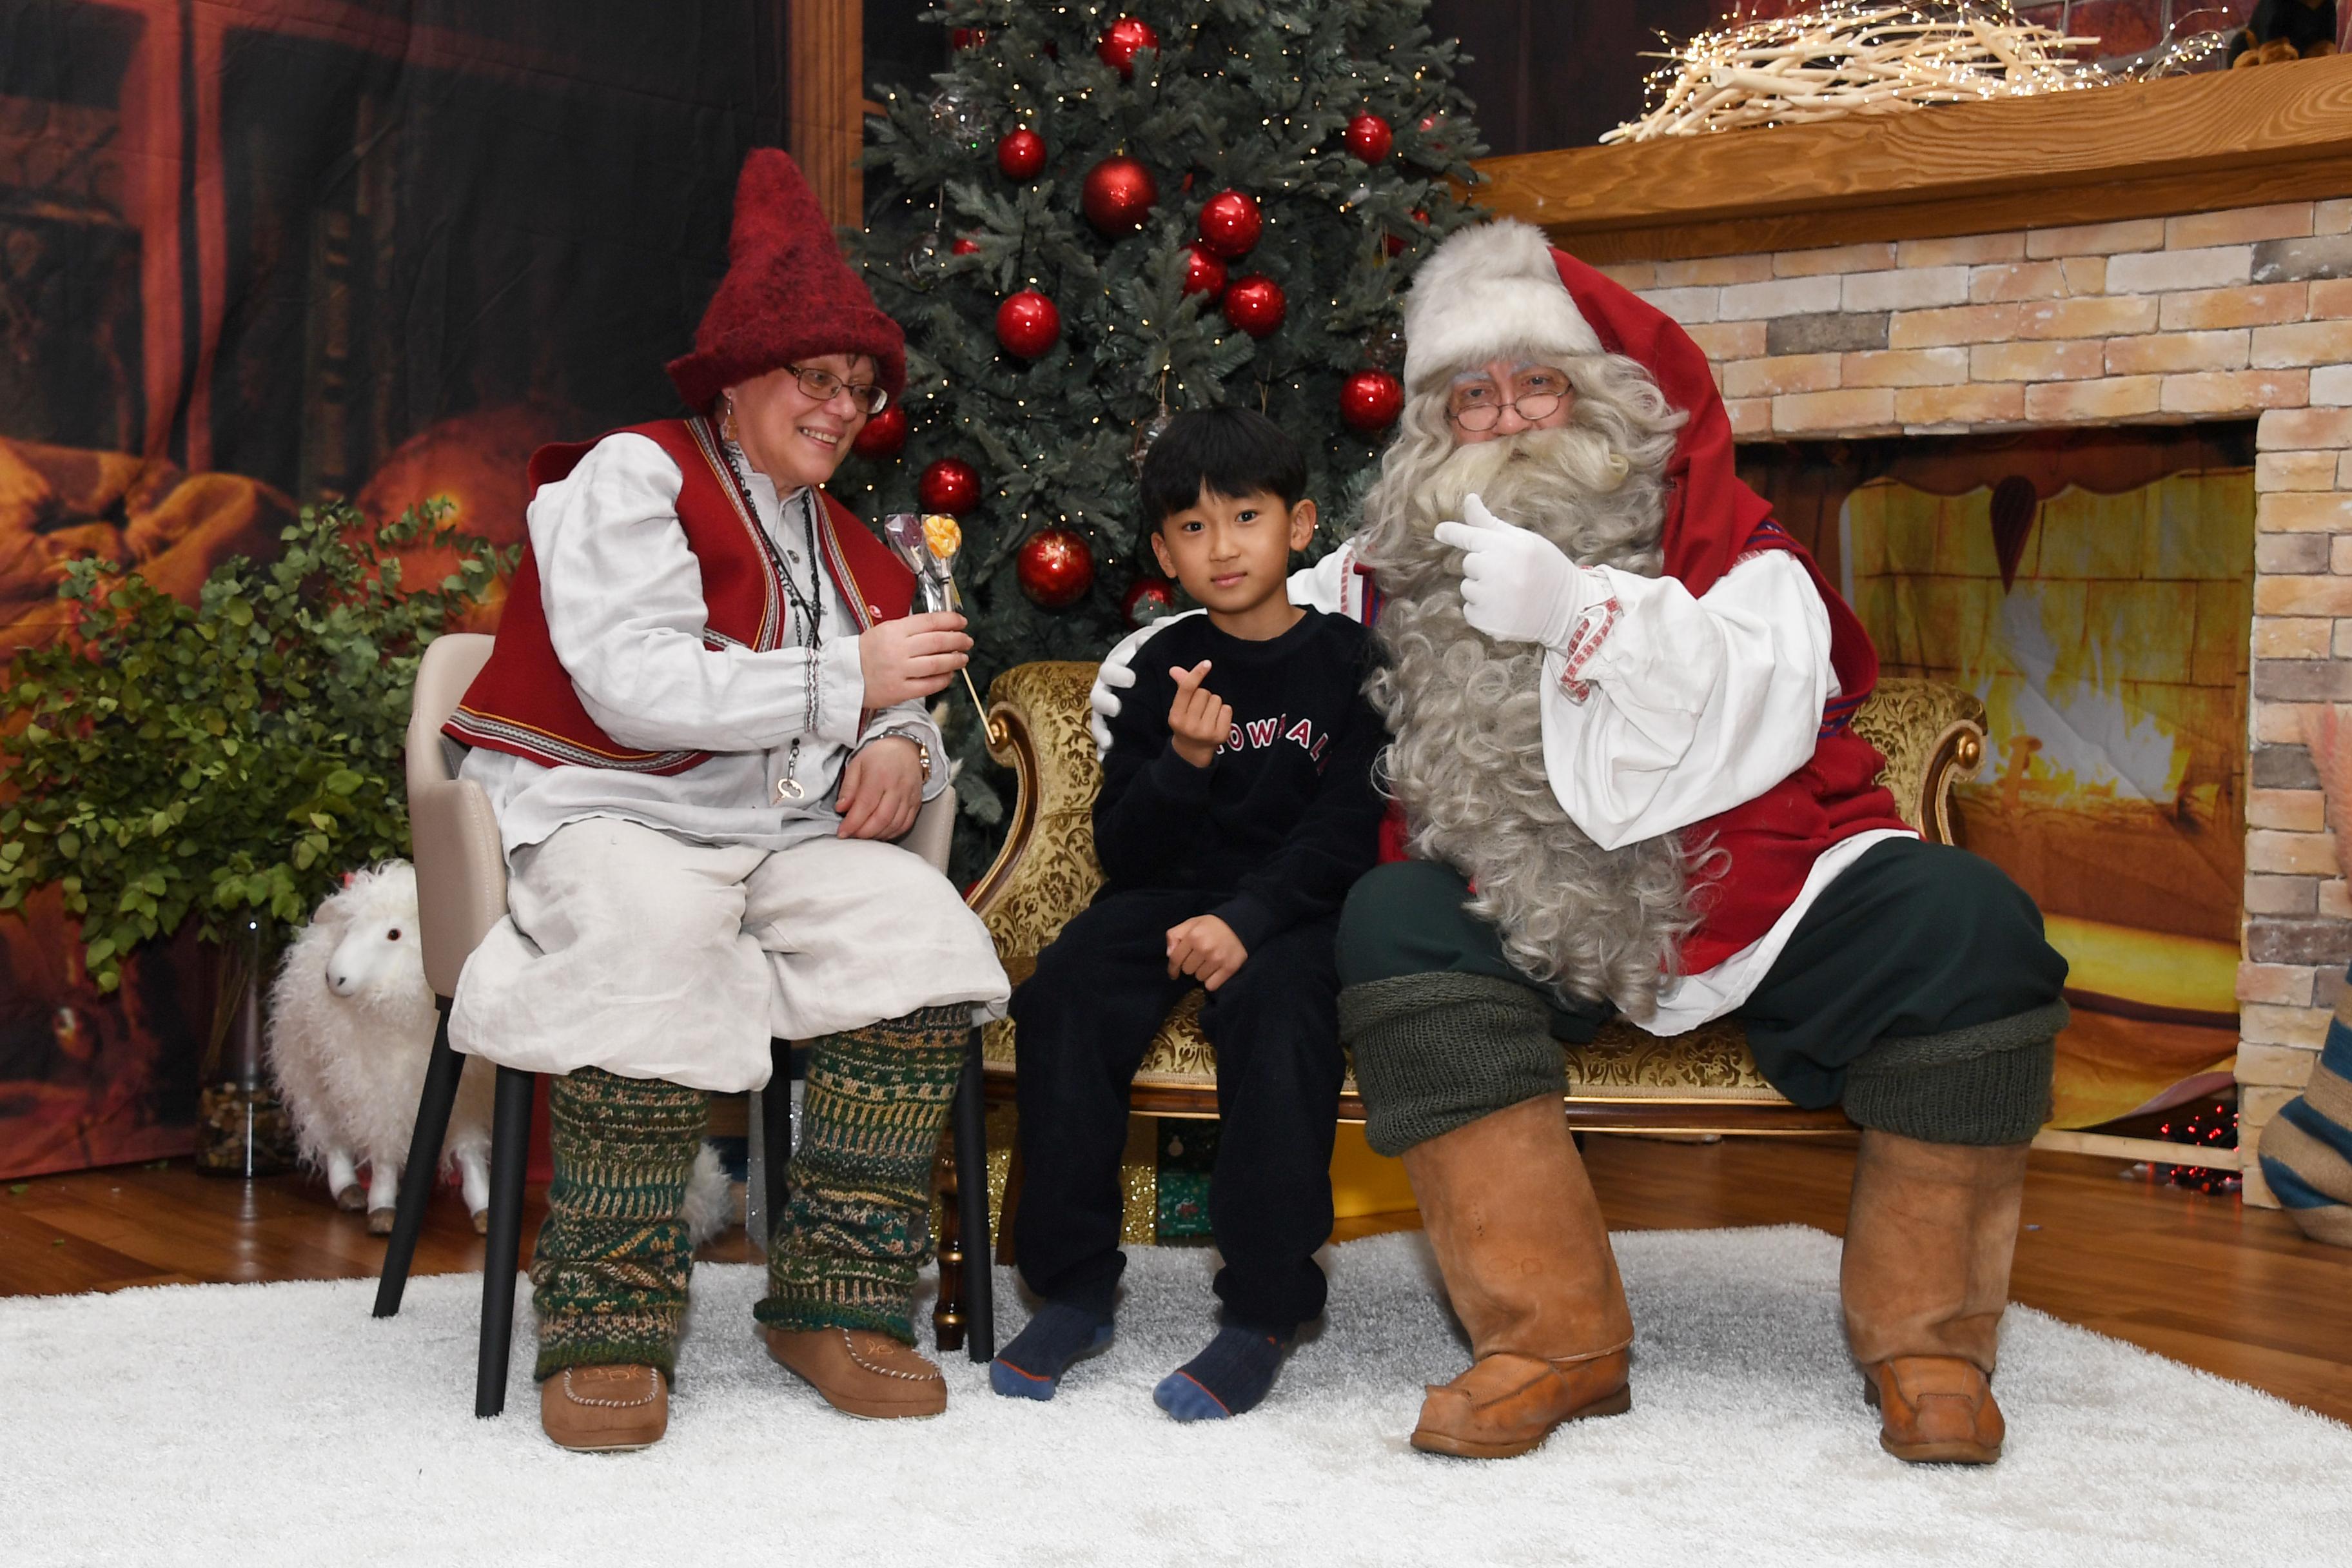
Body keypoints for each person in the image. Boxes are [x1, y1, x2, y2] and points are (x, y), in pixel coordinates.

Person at [1092, 220, 2068, 1465]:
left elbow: (1771, 684)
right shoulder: (1395, 556)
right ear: (1437, 427)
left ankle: (1930, 1344)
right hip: (1519, 910)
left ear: (1598, 394)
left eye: (1536, 383)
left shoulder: (1721, 533)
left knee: (1971, 923)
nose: (1507, 418)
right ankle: (1549, 1338)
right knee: (1393, 922)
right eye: (1473, 396)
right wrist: (1149, 661)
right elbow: (1259, 604)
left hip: (1747, 892)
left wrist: (1584, 612)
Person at [444, 150, 1010, 1451]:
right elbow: (636, 680)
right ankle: (607, 1317)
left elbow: (898, 688)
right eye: (818, 379)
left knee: (922, 942)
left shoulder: (844, 535)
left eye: (860, 391)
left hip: (771, 837)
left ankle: (839, 1297)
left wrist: (907, 748)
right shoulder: (633, 476)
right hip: (609, 811)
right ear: (741, 373)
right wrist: (847, 682)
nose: (842, 409)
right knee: (648, 933)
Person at [992, 409, 1386, 1421]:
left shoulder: (1352, 666)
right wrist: (1184, 763)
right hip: (1164, 898)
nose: (1223, 547)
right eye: (1194, 528)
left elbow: (1348, 833)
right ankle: (1073, 1287)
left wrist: (1250, 922)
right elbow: (1123, 850)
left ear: (1299, 527)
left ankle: (1262, 1310)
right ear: (1164, 551)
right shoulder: (1157, 666)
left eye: (1245, 518)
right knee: (1066, 993)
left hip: (1294, 910)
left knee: (1281, 1014)